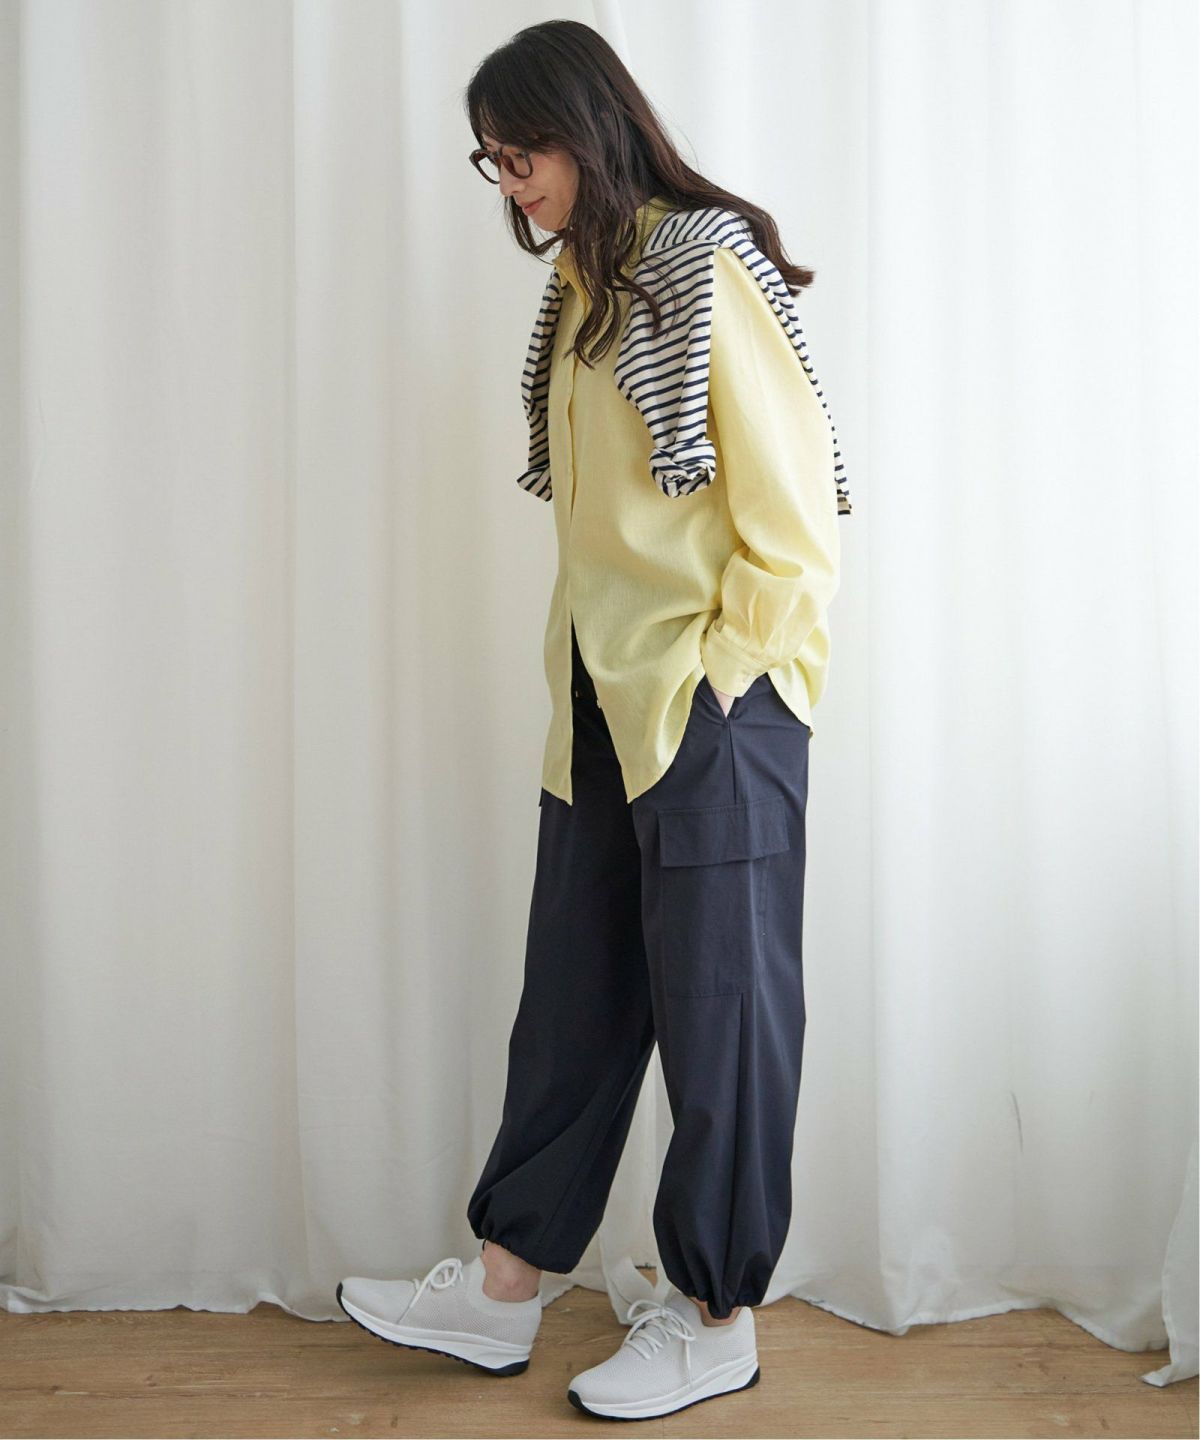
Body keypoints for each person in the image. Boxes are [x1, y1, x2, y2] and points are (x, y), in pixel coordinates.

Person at [336, 18, 851, 1424]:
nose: (511, 184)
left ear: (590, 127)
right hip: (598, 701)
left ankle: (717, 1315)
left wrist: (724, 677)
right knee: (572, 1001)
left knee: (723, 1018)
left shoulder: (700, 265)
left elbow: (798, 517)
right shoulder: (583, 290)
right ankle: (506, 1290)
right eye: (493, 162)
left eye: (524, 154)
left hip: (709, 707)